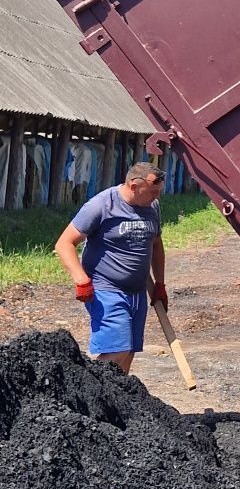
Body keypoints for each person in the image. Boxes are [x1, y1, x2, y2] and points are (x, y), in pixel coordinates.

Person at [54, 160, 167, 373]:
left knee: (130, 350)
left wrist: (160, 284)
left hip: (137, 293)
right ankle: (90, 391)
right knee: (117, 348)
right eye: (152, 192)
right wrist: (81, 279)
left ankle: (116, 402)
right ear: (134, 186)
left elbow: (156, 244)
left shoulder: (152, 207)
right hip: (106, 289)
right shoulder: (102, 205)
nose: (156, 198)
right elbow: (64, 243)